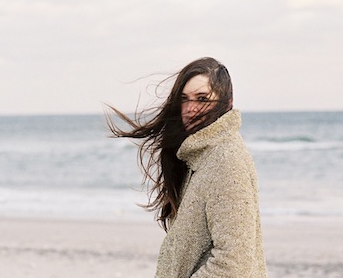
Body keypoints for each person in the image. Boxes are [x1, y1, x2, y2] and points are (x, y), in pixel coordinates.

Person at [106, 57, 267, 277]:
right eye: (184, 99)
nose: (190, 109)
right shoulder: (201, 157)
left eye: (202, 99)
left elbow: (233, 263)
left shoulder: (226, 161)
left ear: (227, 103)